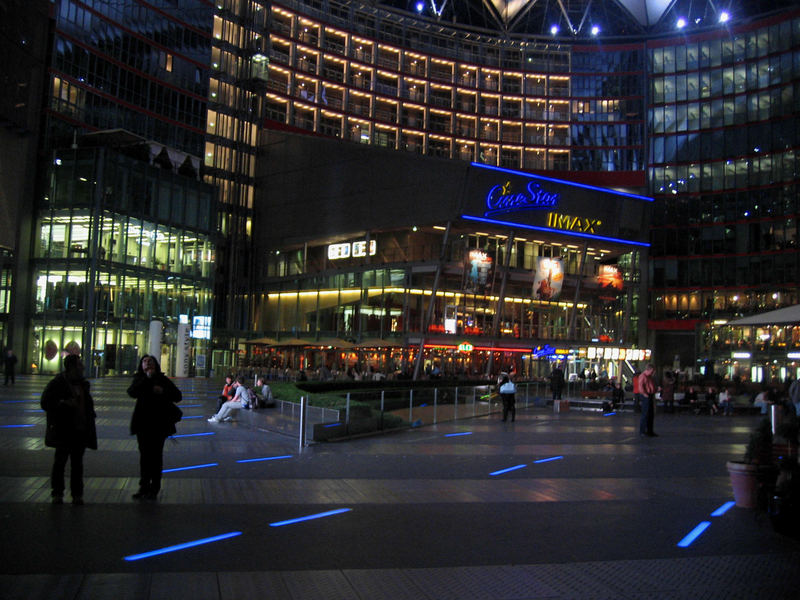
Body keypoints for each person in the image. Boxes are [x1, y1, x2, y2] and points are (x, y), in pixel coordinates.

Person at [40, 354, 97, 505]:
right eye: (79, 365)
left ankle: (77, 494)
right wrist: (63, 404)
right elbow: (45, 402)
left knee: (77, 464)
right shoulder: (58, 383)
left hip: (80, 430)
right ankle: (57, 493)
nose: (83, 367)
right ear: (71, 367)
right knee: (60, 462)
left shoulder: (83, 384)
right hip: (63, 430)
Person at [128, 355, 182, 500]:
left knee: (156, 456)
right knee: (144, 456)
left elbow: (178, 396)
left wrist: (162, 391)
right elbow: (132, 392)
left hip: (158, 424)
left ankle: (154, 487)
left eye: (150, 361)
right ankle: (144, 486)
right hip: (142, 424)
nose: (147, 364)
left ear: (156, 365)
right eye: (144, 361)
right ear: (141, 366)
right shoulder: (140, 379)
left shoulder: (162, 380)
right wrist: (146, 378)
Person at [639, 363, 657, 437]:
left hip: (650, 395)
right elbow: (640, 386)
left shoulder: (649, 377)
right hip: (646, 396)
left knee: (651, 414)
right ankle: (643, 431)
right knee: (645, 413)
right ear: (649, 370)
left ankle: (650, 431)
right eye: (653, 371)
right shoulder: (643, 376)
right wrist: (644, 394)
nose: (653, 373)